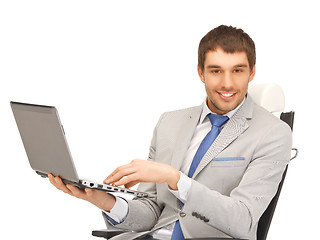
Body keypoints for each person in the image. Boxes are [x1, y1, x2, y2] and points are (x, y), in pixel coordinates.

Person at [49, 25, 292, 240]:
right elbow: (150, 211)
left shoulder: (272, 133)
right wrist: (100, 199)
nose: (227, 83)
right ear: (201, 73)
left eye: (237, 71)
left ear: (252, 72)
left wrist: (174, 178)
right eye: (216, 71)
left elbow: (244, 220)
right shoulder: (170, 123)